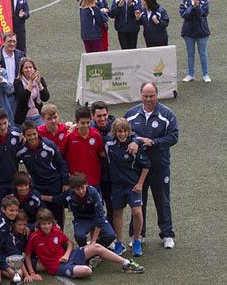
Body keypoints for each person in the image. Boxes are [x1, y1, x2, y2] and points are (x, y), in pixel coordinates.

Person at [124, 82, 178, 249]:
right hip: (138, 168)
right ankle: (137, 235)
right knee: (138, 202)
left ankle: (167, 234)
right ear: (141, 95)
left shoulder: (167, 114)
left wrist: (153, 142)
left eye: (151, 96)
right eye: (145, 96)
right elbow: (123, 134)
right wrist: (134, 141)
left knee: (162, 200)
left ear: (157, 95)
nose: (148, 99)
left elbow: (174, 136)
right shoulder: (131, 115)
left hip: (159, 166)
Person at [25, 208, 144, 280]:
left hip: (70, 256)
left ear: (52, 223)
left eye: (49, 223)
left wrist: (66, 255)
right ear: (39, 224)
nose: (46, 226)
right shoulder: (34, 237)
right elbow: (27, 256)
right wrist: (31, 273)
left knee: (96, 246)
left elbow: (70, 243)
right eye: (44, 224)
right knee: (87, 271)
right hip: (58, 267)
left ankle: (126, 263)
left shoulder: (56, 230)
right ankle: (87, 263)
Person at [105, 118, 150, 257]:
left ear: (128, 131)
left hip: (133, 186)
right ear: (114, 132)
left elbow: (146, 166)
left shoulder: (134, 145)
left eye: (125, 131)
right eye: (119, 131)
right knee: (117, 213)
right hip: (117, 185)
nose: (122, 134)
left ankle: (136, 240)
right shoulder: (108, 144)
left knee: (137, 212)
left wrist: (140, 183)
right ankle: (119, 242)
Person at [42, 173, 116, 248]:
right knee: (79, 236)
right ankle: (85, 252)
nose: (81, 191)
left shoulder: (93, 193)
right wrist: (41, 197)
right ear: (73, 189)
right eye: (77, 189)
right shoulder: (69, 194)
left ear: (86, 184)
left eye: (82, 188)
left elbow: (100, 217)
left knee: (110, 235)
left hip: (95, 217)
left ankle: (95, 248)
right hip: (81, 219)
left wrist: (93, 241)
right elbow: (55, 199)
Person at [18, 121, 69, 229]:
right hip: (37, 187)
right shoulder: (21, 150)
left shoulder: (49, 146)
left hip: (54, 184)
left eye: (34, 134)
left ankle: (59, 241)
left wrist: (65, 182)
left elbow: (62, 163)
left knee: (57, 217)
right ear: (24, 136)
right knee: (41, 217)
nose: (32, 137)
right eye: (29, 135)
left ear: (38, 133)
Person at [62, 106, 105, 190]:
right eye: (82, 123)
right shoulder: (69, 137)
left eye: (88, 122)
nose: (85, 125)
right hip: (76, 181)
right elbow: (62, 156)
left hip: (94, 179)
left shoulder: (96, 135)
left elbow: (101, 152)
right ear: (76, 122)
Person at [13, 58, 50, 127]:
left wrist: (39, 84)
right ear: (22, 70)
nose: (29, 70)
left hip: (38, 116)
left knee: (43, 136)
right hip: (23, 118)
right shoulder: (17, 82)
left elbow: (46, 98)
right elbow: (23, 100)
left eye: (30, 67)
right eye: (26, 68)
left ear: (34, 69)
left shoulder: (40, 79)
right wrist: (30, 82)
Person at [180, 0, 211, 83]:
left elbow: (203, 14)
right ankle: (190, 74)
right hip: (188, 32)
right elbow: (184, 15)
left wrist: (197, 7)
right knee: (190, 54)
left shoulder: (205, 2)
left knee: (203, 53)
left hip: (202, 32)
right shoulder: (184, 2)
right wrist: (192, 6)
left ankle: (205, 74)